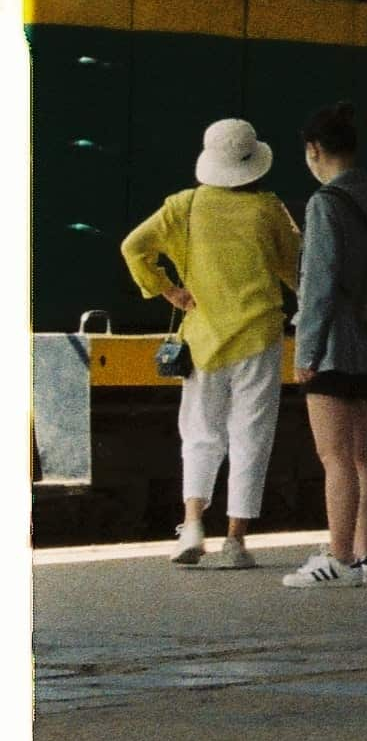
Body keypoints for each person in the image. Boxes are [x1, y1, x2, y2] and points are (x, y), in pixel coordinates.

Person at [120, 118, 302, 571]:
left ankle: (193, 525)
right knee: (250, 436)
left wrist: (169, 291)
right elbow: (297, 269)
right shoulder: (268, 210)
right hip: (259, 337)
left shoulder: (183, 207)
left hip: (203, 340)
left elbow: (133, 247)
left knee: (201, 434)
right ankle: (236, 541)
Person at [288, 105, 367, 588]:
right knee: (365, 456)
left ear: (315, 151)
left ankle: (335, 557)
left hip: (336, 347)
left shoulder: (324, 204)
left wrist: (305, 353)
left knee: (334, 456)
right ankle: (366, 555)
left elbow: (317, 285)